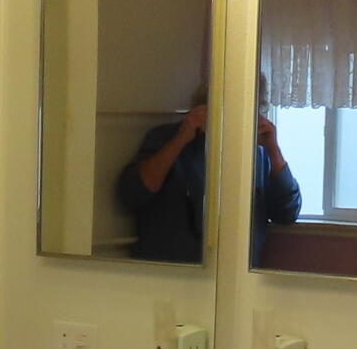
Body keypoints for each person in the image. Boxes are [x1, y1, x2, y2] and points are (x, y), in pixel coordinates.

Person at [116, 89, 302, 265]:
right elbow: (134, 193)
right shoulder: (166, 137)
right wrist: (181, 139)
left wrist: (273, 149)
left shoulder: (258, 154)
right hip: (167, 274)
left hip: (233, 276)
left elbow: (287, 213)